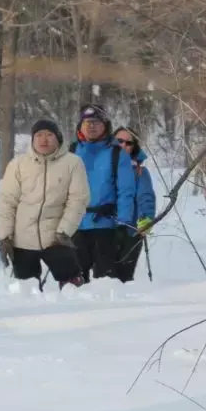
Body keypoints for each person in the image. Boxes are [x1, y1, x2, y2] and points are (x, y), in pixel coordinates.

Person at [0, 119, 90, 289]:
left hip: (56, 238)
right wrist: (4, 237)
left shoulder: (73, 163)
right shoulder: (18, 165)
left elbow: (78, 200)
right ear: (32, 139)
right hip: (22, 240)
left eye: (49, 135)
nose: (44, 139)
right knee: (25, 292)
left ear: (58, 139)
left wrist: (64, 231)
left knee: (73, 288)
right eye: (39, 135)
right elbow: (6, 202)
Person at [69, 104, 137, 282]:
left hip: (105, 226)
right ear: (80, 126)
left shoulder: (117, 154)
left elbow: (126, 191)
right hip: (74, 226)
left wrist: (123, 223)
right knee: (73, 283)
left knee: (106, 283)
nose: (91, 126)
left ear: (106, 126)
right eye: (87, 122)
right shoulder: (70, 151)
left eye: (97, 122)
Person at [113, 126, 157, 282]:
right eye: (119, 141)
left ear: (134, 147)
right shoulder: (100, 168)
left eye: (128, 143)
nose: (123, 145)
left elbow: (146, 197)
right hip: (101, 229)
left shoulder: (139, 171)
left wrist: (145, 219)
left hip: (130, 230)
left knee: (122, 277)